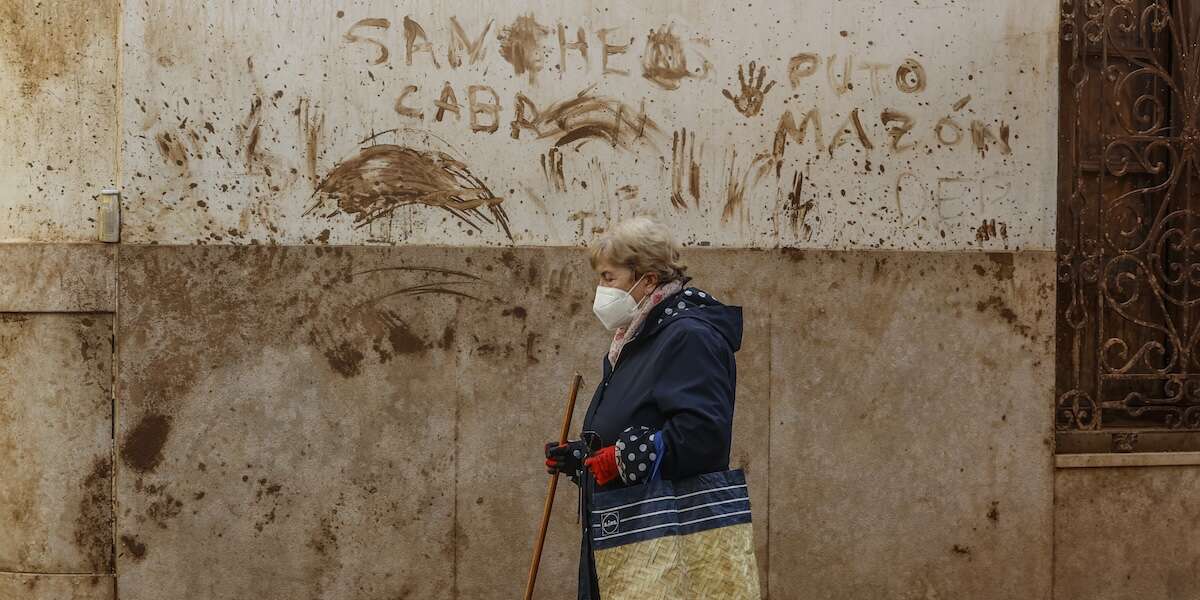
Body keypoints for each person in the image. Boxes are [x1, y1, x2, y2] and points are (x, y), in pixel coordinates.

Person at [544, 216, 743, 599]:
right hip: (624, 530)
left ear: (647, 279)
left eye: (608, 277)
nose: (601, 290)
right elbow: (639, 421)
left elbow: (704, 437)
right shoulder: (639, 336)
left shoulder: (688, 337)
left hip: (663, 544)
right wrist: (582, 458)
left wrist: (621, 460)